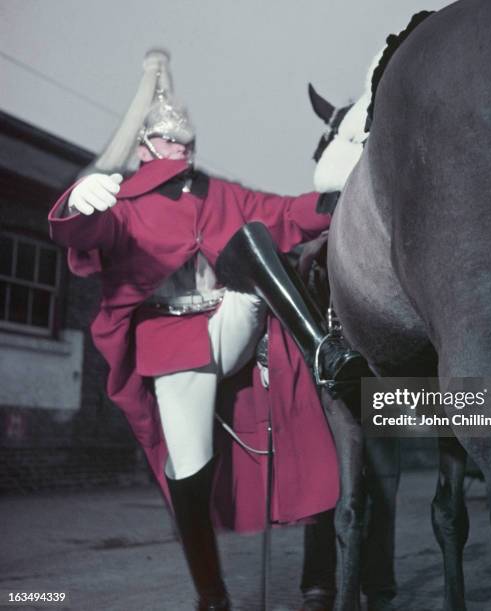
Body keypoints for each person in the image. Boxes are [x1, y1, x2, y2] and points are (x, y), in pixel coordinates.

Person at [48, 50, 368, 611]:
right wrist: (76, 205)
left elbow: (290, 212)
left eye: (188, 141)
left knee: (254, 241)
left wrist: (346, 197)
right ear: (147, 147)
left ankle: (323, 348)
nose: (184, 149)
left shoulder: (223, 195)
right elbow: (84, 232)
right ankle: (211, 596)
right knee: (188, 469)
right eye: (171, 141)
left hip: (233, 318)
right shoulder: (123, 204)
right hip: (170, 346)